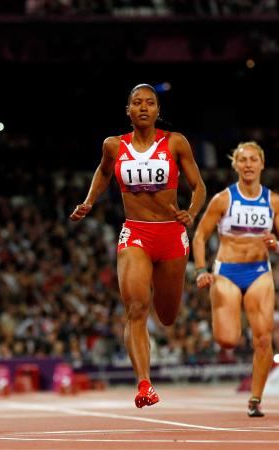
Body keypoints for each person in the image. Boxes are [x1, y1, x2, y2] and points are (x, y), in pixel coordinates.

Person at [70, 84, 206, 408]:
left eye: (150, 103)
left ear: (158, 110)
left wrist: (191, 212)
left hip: (172, 234)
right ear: (128, 110)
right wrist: (89, 201)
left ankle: (160, 301)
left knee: (168, 315)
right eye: (137, 103)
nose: (143, 107)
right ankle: (144, 384)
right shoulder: (114, 145)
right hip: (136, 234)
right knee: (135, 309)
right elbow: (103, 173)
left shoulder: (175, 142)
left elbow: (198, 186)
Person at [192, 141, 279, 417]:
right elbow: (200, 236)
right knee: (227, 340)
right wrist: (201, 270)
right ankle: (227, 325)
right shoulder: (223, 199)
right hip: (226, 272)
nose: (248, 164)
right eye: (242, 159)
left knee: (263, 338)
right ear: (235, 165)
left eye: (253, 159)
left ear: (261, 164)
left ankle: (255, 399)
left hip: (260, 271)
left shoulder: (274, 201)